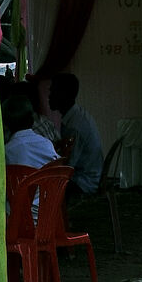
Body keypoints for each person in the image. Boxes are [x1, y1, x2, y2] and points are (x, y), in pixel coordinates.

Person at [47, 72, 104, 203]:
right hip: (91, 174)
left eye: (53, 92)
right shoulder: (77, 115)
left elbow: (68, 167)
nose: (49, 96)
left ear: (63, 95)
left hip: (84, 181)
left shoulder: (74, 127)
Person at [2, 92, 60, 170]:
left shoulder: (7, 151)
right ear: (32, 120)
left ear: (5, 124)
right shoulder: (46, 143)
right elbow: (59, 166)